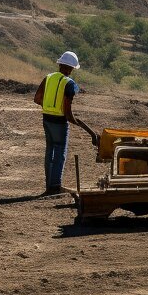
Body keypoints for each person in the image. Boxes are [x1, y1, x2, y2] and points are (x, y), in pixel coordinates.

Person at [32, 51, 93, 195]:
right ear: (71, 68)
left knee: (50, 151)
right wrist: (89, 130)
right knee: (60, 153)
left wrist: (49, 107)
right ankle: (56, 187)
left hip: (46, 119)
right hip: (59, 123)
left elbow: (37, 99)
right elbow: (68, 114)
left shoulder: (48, 78)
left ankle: (50, 186)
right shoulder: (69, 84)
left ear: (60, 64)